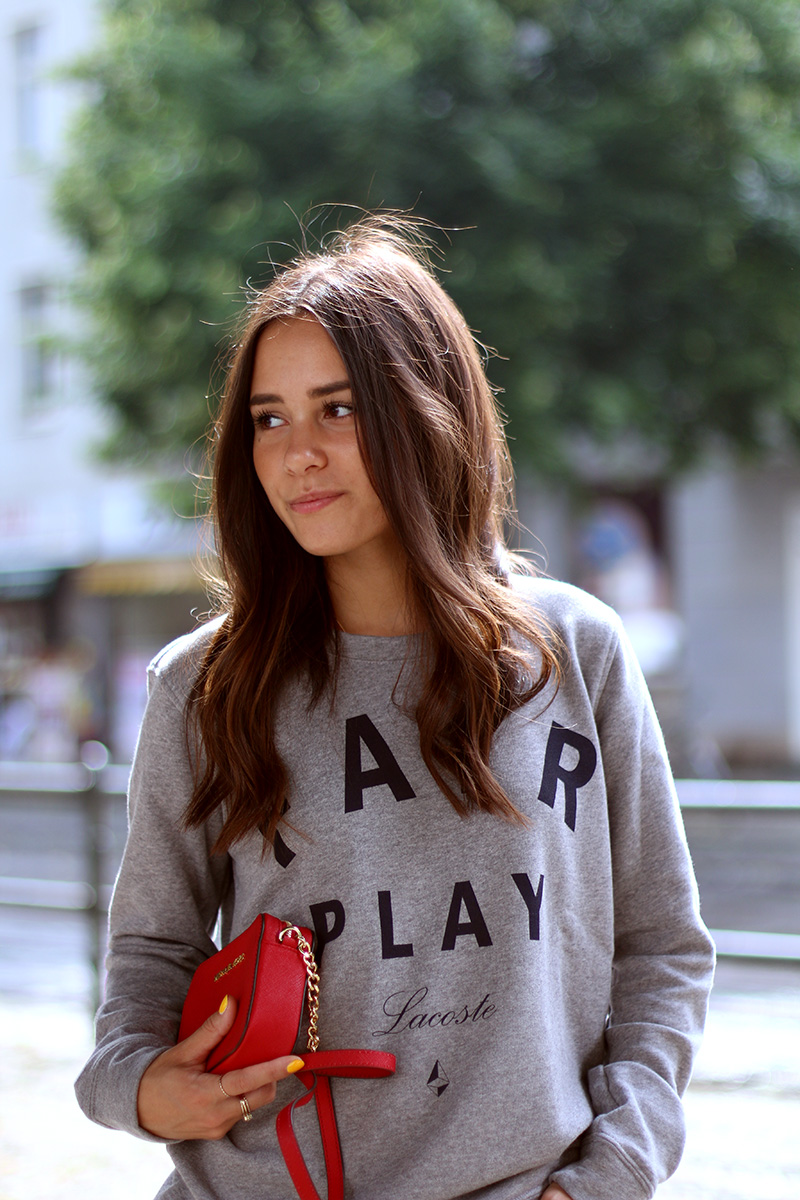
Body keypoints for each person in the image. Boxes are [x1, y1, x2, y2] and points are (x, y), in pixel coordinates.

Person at [76, 214, 715, 1200]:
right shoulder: (202, 686)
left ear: (425, 412)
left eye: (337, 409)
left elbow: (660, 947)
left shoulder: (571, 649)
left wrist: (608, 1175)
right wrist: (139, 1089)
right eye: (269, 418)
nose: (297, 453)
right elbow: (151, 957)